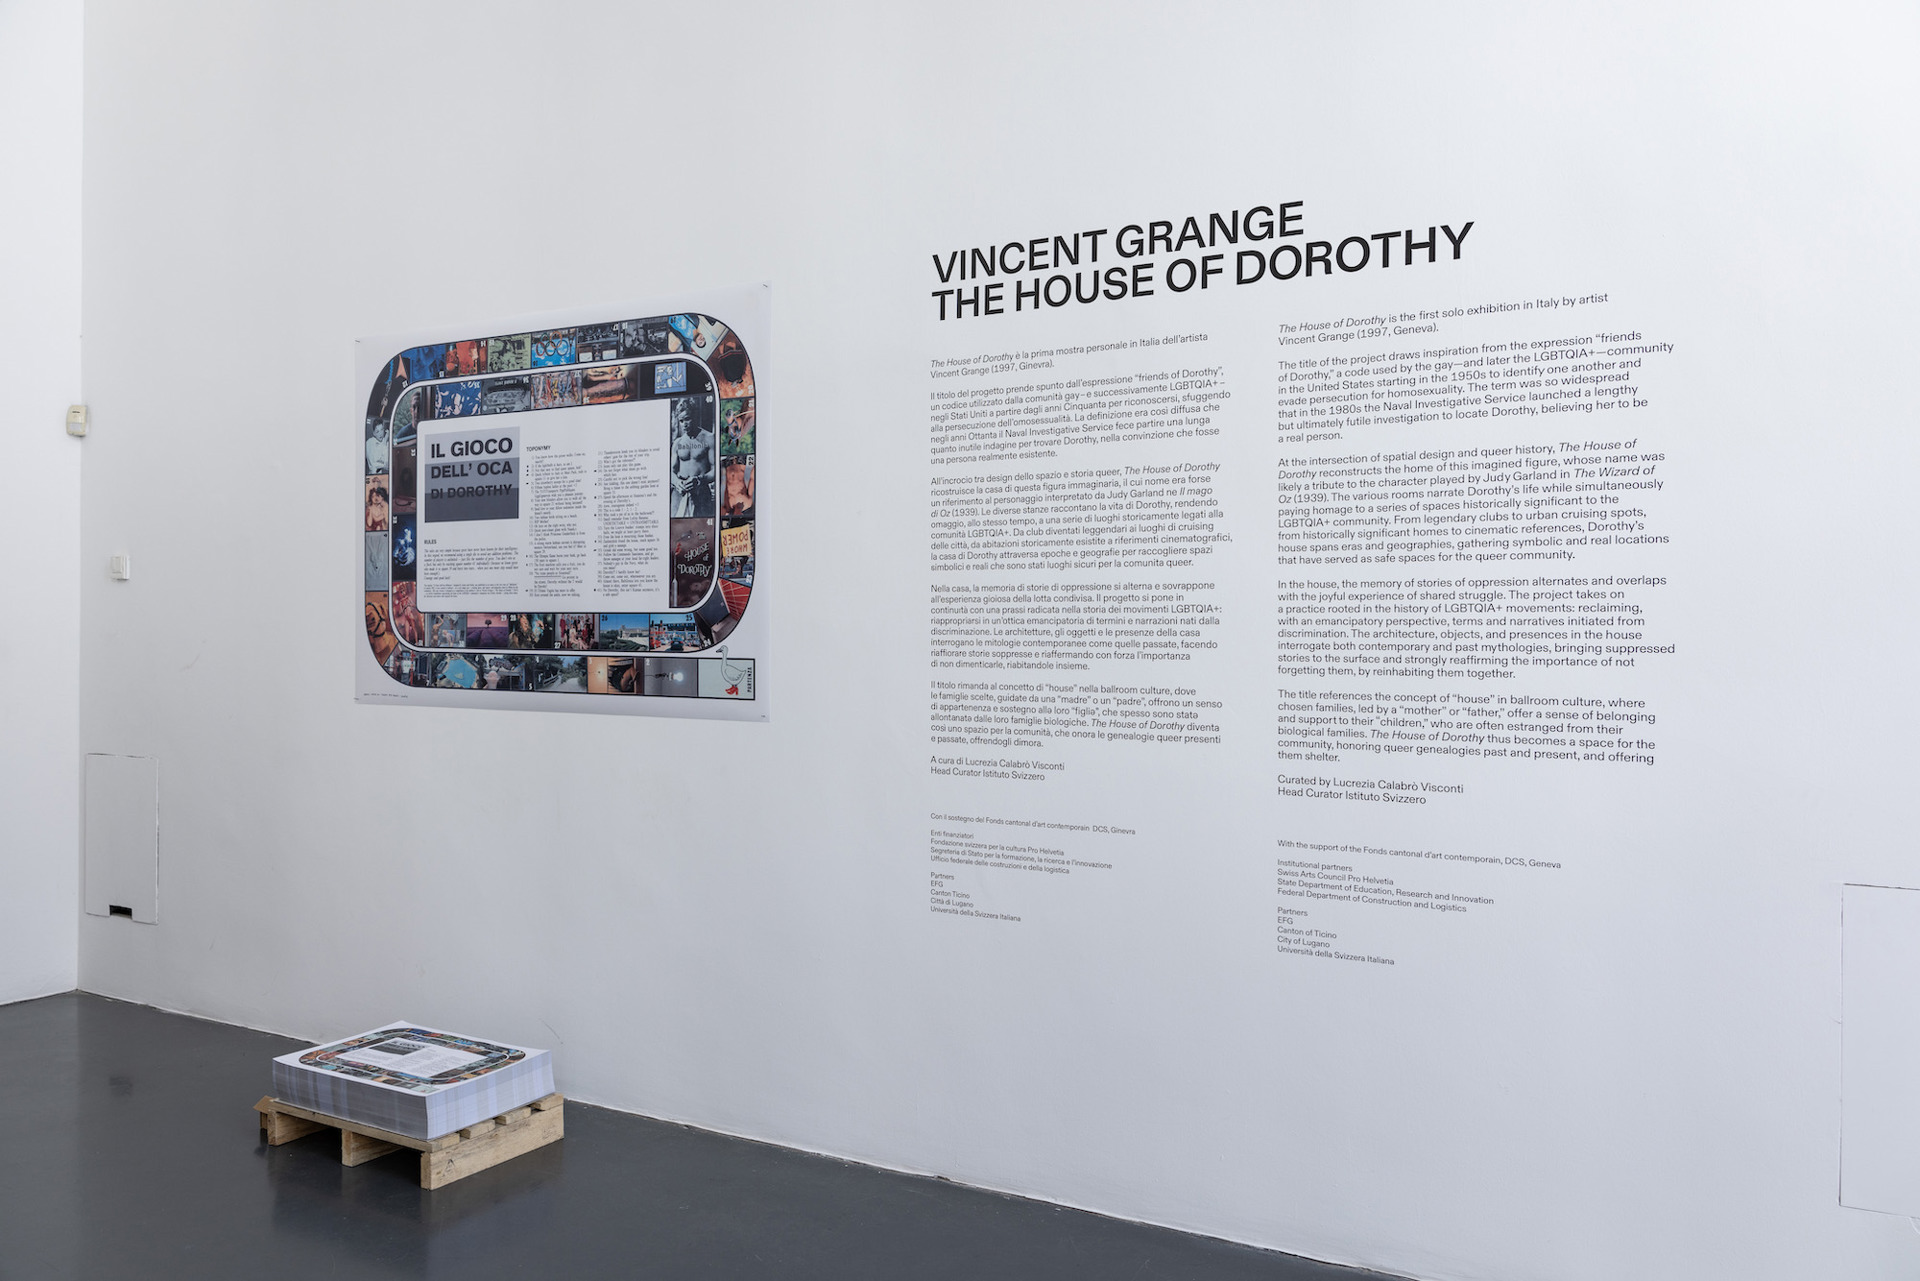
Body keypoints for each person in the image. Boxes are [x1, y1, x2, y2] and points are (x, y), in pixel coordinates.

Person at [669, 398, 715, 517]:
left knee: (701, 527)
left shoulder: (709, 438)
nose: (684, 424)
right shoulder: (677, 443)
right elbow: (671, 472)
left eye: (687, 419)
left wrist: (700, 479)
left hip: (701, 493)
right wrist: (677, 482)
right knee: (676, 526)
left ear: (695, 416)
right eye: (681, 421)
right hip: (679, 493)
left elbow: (715, 470)